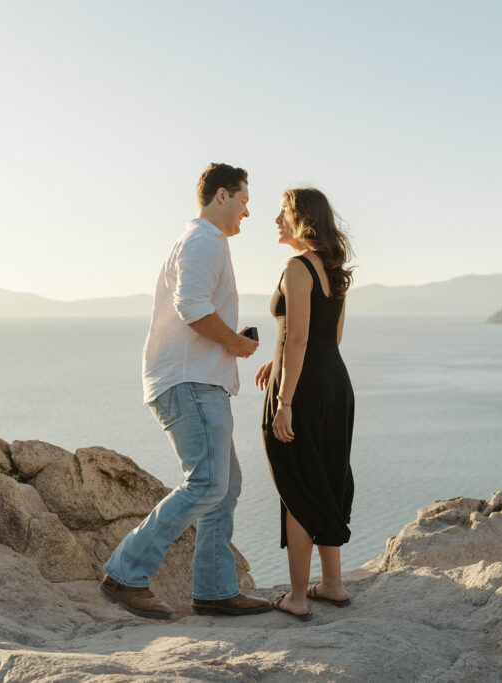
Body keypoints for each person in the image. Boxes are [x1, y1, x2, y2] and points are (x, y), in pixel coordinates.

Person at [100, 163, 270, 620]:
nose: (247, 212)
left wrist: (232, 344)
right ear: (220, 196)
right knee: (208, 483)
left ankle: (214, 589)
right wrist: (236, 343)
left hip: (195, 380)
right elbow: (191, 306)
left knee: (225, 486)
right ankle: (125, 572)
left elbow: (194, 307)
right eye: (243, 201)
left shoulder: (204, 242)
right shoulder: (202, 241)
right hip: (189, 381)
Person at [255, 188, 355, 621]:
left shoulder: (296, 267)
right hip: (334, 381)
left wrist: (284, 399)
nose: (276, 219)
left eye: (284, 213)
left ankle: (297, 596)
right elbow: (327, 339)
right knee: (326, 477)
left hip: (303, 387)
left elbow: (297, 337)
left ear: (303, 220)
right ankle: (332, 584)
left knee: (297, 484)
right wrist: (275, 359)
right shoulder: (333, 269)